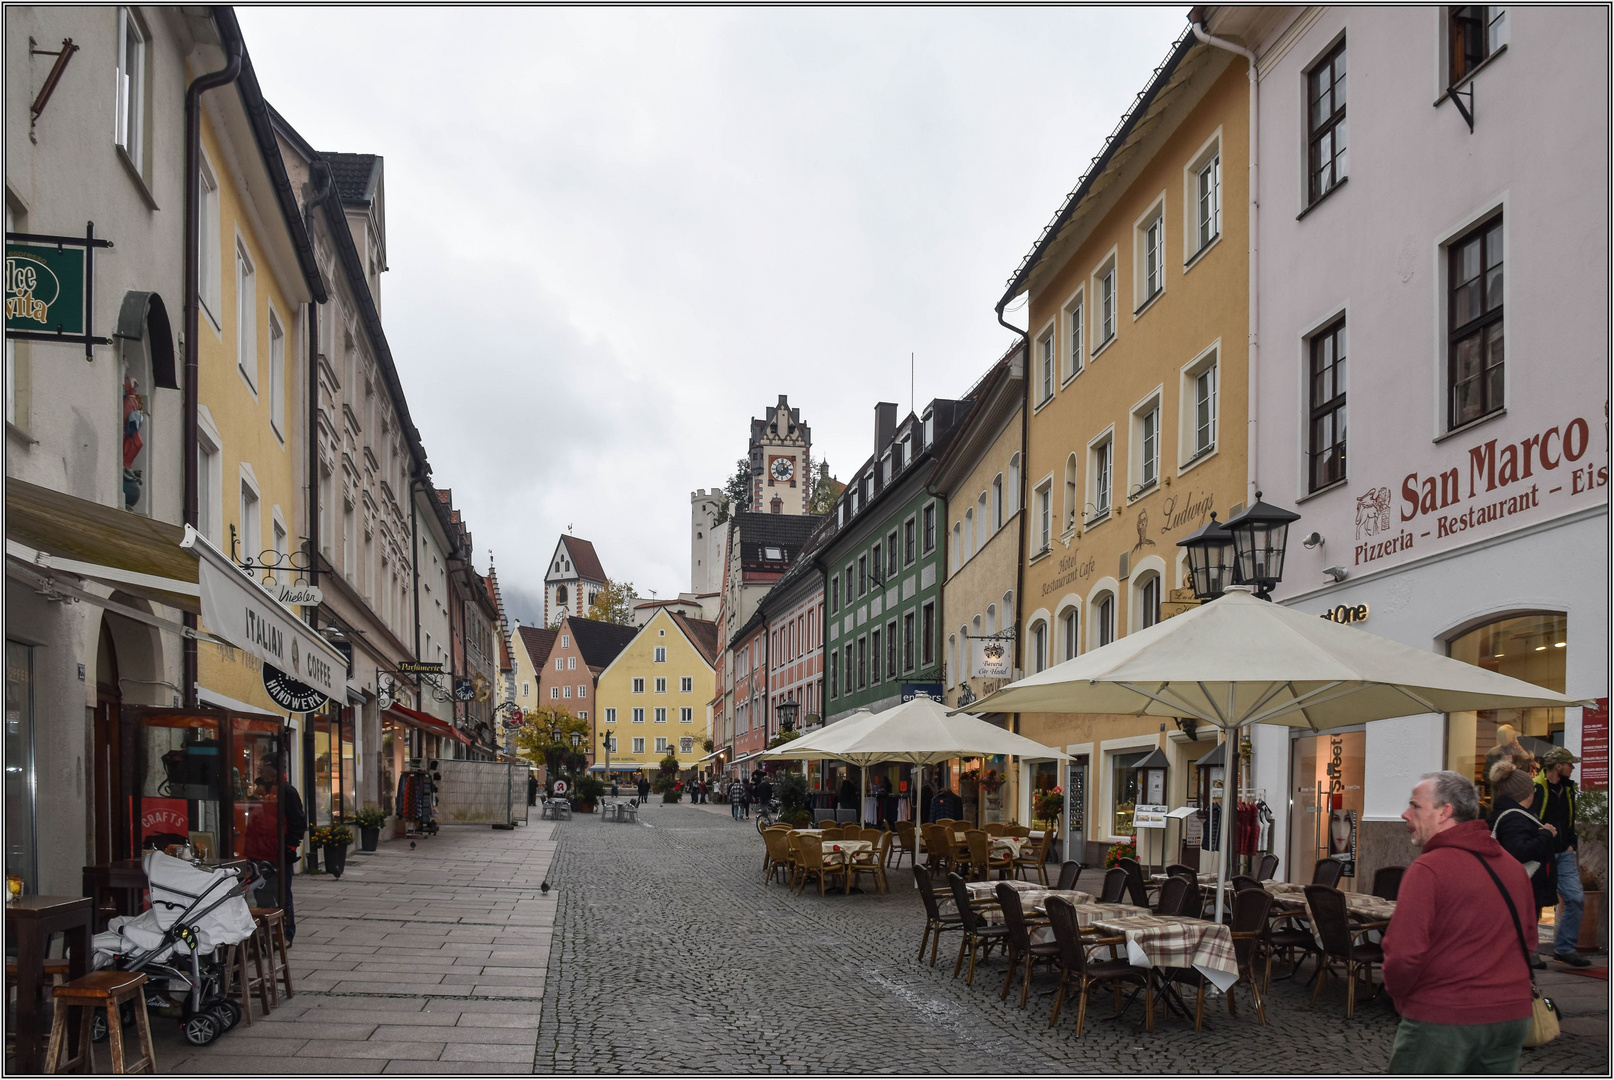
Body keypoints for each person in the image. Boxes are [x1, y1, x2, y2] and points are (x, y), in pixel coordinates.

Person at [1382, 771, 1535, 1073]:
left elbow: (1402, 955)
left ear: (1444, 812)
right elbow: (1529, 942)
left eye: (1415, 806)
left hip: (1445, 1019)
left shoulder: (1428, 868)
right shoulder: (1513, 867)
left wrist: (1402, 998)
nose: (1405, 814)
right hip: (1510, 1017)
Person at [1488, 757, 1557, 967]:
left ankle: (1526, 955)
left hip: (1521, 886)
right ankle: (1525, 957)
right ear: (1526, 793)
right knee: (1521, 922)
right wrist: (1546, 834)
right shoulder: (1514, 817)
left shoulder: (1510, 814)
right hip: (1521, 885)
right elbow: (1518, 850)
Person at [1535, 747, 1590, 966]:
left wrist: (1570, 844)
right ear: (1559, 766)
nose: (1573, 767)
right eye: (1570, 764)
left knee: (1576, 898)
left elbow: (1570, 818)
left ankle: (1565, 949)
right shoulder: (1536, 788)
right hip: (1541, 854)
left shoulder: (1568, 789)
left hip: (1564, 853)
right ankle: (1530, 951)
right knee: (1536, 902)